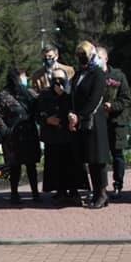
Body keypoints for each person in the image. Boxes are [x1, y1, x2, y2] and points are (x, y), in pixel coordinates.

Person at [68, 41, 110, 209]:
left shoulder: (98, 74)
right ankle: (95, 192)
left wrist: (79, 116)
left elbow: (95, 99)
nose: (81, 58)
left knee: (98, 159)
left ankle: (102, 193)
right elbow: (73, 96)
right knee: (89, 159)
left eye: (84, 55)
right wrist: (72, 114)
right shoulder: (78, 74)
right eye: (79, 55)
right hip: (81, 122)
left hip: (94, 122)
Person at [37, 68, 87, 202]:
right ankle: (60, 191)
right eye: (55, 79)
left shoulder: (71, 94)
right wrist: (47, 119)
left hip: (69, 135)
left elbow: (77, 110)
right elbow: (38, 113)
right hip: (53, 136)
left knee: (72, 164)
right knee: (55, 165)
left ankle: (74, 190)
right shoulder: (44, 95)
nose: (58, 82)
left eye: (60, 79)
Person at [0, 68, 42, 203]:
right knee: (15, 166)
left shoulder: (30, 93)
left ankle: (35, 193)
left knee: (31, 165)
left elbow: (38, 109)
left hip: (29, 134)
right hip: (12, 136)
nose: (26, 79)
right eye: (23, 76)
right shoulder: (3, 94)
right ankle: (14, 194)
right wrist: (5, 131)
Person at [96, 47, 131, 199]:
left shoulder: (118, 76)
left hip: (116, 121)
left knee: (117, 154)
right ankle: (101, 187)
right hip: (99, 121)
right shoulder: (93, 75)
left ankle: (118, 184)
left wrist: (113, 106)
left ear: (106, 58)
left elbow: (126, 99)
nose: (96, 60)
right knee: (100, 156)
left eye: (99, 57)